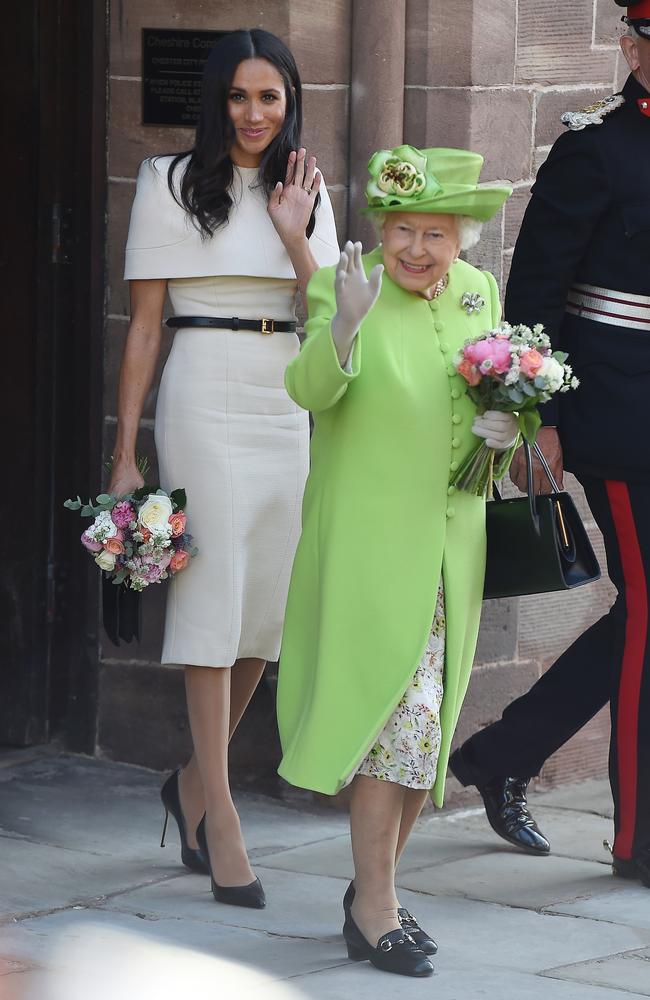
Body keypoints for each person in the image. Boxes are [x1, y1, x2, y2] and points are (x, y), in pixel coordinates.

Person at [109, 28, 339, 909]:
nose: (253, 114)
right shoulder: (167, 183)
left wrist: (295, 236)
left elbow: (325, 312)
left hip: (286, 394)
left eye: (270, 97)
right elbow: (143, 327)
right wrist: (125, 452)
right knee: (212, 598)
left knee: (266, 611)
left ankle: (191, 785)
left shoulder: (305, 188)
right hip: (203, 391)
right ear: (217, 101)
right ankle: (223, 809)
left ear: (290, 103)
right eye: (239, 97)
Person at [276, 145, 513, 977]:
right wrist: (342, 322)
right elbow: (308, 391)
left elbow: (497, 389)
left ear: (463, 237)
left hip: (457, 544)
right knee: (394, 729)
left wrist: (507, 428)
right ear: (381, 229)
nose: (416, 248)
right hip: (372, 546)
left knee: (426, 731)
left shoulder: (482, 292)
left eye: (436, 234)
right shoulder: (342, 285)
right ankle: (374, 906)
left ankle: (376, 891)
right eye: (402, 230)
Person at [449, 5, 650, 889]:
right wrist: (544, 420)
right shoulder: (594, 147)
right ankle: (637, 840)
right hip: (619, 415)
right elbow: (533, 291)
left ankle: (504, 753)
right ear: (630, 45)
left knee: (644, 614)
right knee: (646, 607)